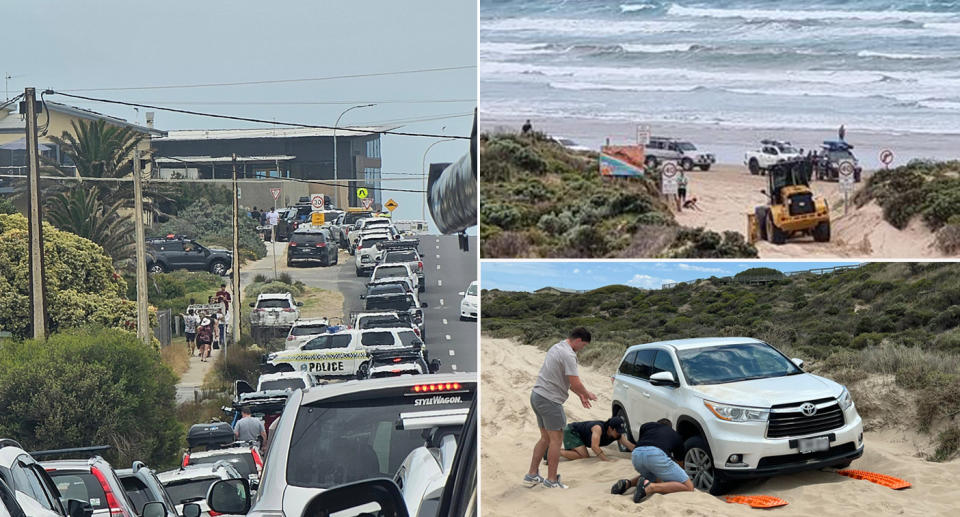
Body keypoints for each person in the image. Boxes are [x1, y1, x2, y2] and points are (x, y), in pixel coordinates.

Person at [524, 327, 598, 489]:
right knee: (556, 441)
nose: (582, 349)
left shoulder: (556, 347)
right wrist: (587, 393)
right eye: (584, 345)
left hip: (537, 396)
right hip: (550, 401)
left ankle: (532, 474)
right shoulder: (569, 355)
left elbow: (563, 379)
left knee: (545, 438)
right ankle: (551, 479)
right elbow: (575, 382)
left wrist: (580, 395)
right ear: (578, 340)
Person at [610, 419, 694, 503]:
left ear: (656, 424)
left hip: (636, 454)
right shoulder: (676, 436)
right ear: (670, 427)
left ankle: (627, 483)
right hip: (655, 454)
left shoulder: (646, 426)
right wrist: (679, 476)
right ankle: (650, 487)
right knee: (688, 487)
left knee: (654, 474)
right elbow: (680, 464)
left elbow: (643, 442)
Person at [558, 417, 634, 462]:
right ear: (610, 428)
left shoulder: (617, 435)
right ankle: (555, 451)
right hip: (572, 431)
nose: (619, 433)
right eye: (617, 431)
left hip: (580, 437)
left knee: (582, 454)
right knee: (584, 456)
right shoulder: (598, 428)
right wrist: (606, 460)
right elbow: (594, 447)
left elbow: (630, 446)